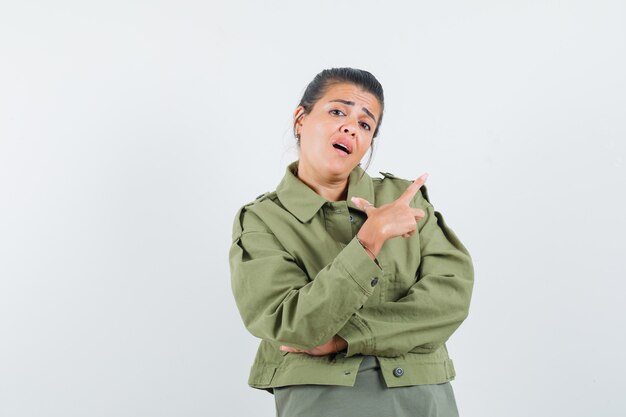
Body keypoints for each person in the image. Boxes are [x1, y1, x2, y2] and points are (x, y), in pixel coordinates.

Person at [229, 68, 474, 417]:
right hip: (325, 401)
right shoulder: (262, 220)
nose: (350, 127)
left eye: (365, 124)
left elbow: (450, 299)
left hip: (422, 397)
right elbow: (290, 325)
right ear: (301, 119)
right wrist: (368, 242)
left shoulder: (404, 200)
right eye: (337, 112)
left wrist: (346, 339)